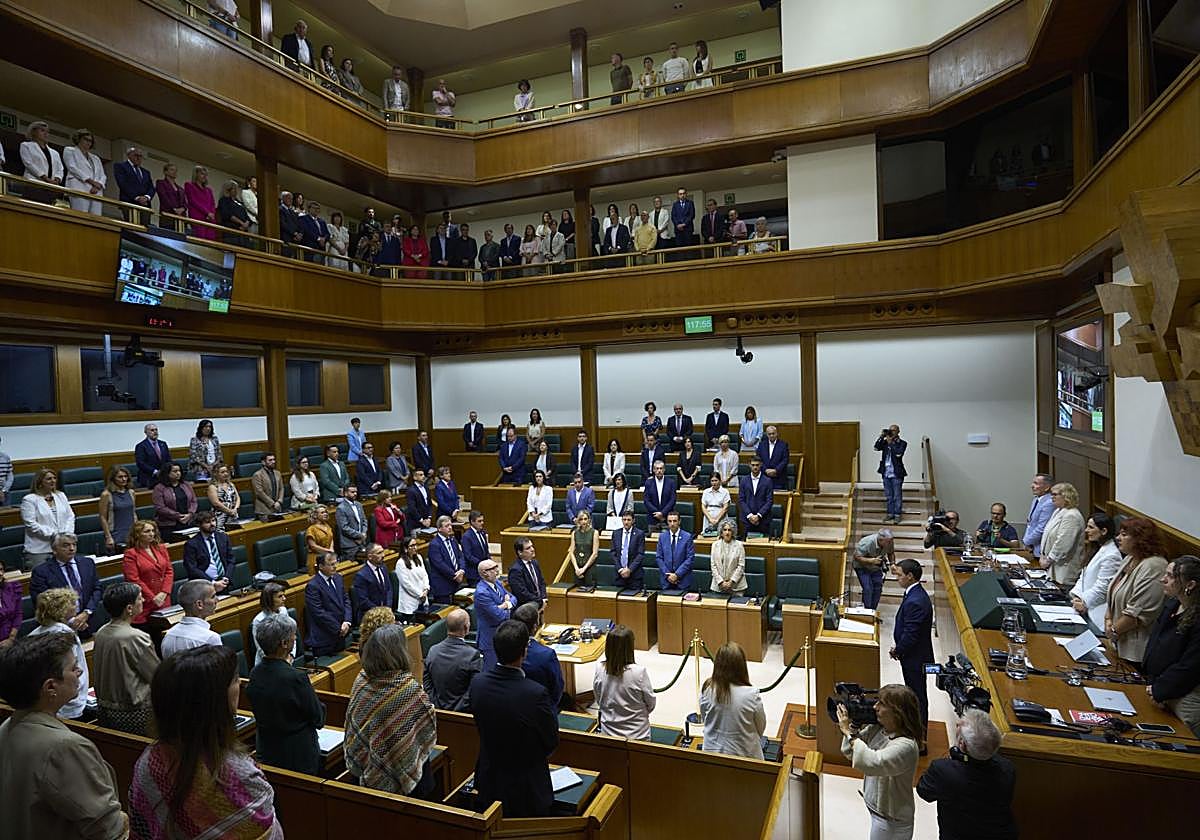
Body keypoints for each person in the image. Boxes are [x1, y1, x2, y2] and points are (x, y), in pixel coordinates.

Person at [130, 645, 283, 838]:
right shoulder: (240, 776)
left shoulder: (147, 763)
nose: (239, 685)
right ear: (215, 701)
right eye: (235, 680)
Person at [0, 633, 127, 839]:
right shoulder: (64, 748)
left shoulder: (7, 726)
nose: (79, 671)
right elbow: (107, 828)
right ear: (51, 687)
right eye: (73, 668)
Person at [470, 619, 558, 817]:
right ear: (524, 651)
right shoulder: (535, 694)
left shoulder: (477, 683)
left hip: (489, 779)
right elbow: (551, 741)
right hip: (526, 788)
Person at [345, 623, 438, 795]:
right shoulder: (408, 689)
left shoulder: (361, 679)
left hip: (365, 777)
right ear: (400, 652)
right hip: (410, 789)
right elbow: (428, 722)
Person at [837, 684, 924, 840]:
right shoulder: (879, 729)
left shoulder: (907, 746)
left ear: (897, 713)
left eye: (882, 704)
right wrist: (854, 726)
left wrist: (849, 733)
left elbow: (873, 763)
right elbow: (850, 752)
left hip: (891, 821)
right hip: (878, 811)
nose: (875, 707)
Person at [917, 709, 1017, 840]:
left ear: (962, 745)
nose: (957, 724)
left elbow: (924, 791)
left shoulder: (943, 770)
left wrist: (953, 757)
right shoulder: (1008, 768)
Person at [247, 612, 325, 774]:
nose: (295, 638)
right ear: (284, 643)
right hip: (298, 756)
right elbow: (318, 718)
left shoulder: (254, 673)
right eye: (293, 636)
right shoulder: (296, 678)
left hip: (267, 751)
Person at [1142, 555, 1200, 737]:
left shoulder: (1198, 618)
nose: (1163, 579)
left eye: (1171, 576)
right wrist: (1152, 681)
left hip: (1186, 697)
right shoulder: (1173, 604)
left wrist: (1160, 689)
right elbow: (1156, 642)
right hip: (1160, 687)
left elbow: (1190, 666)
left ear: (1190, 585)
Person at [92, 582, 159, 735]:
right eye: (140, 598)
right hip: (135, 712)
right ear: (129, 608)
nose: (143, 601)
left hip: (105, 710)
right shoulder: (136, 637)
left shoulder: (101, 632)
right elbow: (156, 676)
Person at [1106, 517, 1168, 665]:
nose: (1118, 538)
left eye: (1124, 535)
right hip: (1117, 641)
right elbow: (1114, 591)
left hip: (1135, 650)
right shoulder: (1130, 558)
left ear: (1141, 539)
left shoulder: (1155, 566)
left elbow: (1138, 612)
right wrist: (1108, 619)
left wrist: (1113, 631)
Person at [28, 587, 91, 720]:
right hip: (70, 698)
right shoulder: (64, 633)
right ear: (61, 609)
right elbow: (74, 665)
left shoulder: (35, 633)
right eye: (72, 604)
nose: (76, 606)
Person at [700, 641, 766, 758]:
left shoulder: (708, 688)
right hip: (746, 758)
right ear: (742, 666)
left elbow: (705, 718)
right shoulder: (751, 695)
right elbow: (760, 728)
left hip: (711, 755)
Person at [30, 533, 102, 636]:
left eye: (74, 544)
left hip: (89, 621)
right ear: (54, 549)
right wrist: (71, 620)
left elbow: (97, 589)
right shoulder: (41, 572)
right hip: (59, 627)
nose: (72, 548)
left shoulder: (87, 563)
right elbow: (43, 602)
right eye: (66, 545)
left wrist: (87, 612)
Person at [891, 558, 934, 732]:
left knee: (917, 697)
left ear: (910, 576)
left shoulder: (915, 600)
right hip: (913, 655)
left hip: (915, 658)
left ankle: (920, 734)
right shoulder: (914, 593)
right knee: (914, 694)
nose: (897, 578)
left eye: (900, 575)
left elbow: (911, 634)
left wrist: (898, 649)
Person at [1070, 511, 1123, 628]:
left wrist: (1083, 602)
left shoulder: (1112, 555)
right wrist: (1077, 597)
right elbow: (1083, 577)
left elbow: (1103, 588)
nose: (1086, 530)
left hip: (1096, 613)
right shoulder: (1096, 548)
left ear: (1103, 531)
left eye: (1091, 527)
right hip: (1083, 607)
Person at [423, 607, 481, 711]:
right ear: (466, 627)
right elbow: (474, 688)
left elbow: (427, 684)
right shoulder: (472, 655)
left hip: (438, 711)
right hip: (462, 714)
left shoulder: (433, 650)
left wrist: (437, 705)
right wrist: (456, 711)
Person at [123, 520, 173, 633]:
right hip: (145, 601)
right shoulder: (131, 554)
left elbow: (169, 571)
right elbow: (133, 579)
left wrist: (164, 592)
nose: (151, 534)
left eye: (153, 531)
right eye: (147, 531)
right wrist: (153, 597)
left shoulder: (161, 548)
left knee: (165, 633)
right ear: (138, 534)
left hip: (163, 598)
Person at [20, 467, 74, 570]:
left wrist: (66, 533)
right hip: (40, 549)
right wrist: (55, 534)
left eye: (54, 478)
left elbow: (70, 516)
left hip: (62, 546)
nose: (53, 481)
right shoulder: (29, 500)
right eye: (49, 479)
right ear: (40, 482)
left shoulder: (60, 495)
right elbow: (31, 524)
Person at [305, 553, 351, 656]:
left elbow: (346, 600)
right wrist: (338, 628)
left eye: (335, 563)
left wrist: (347, 621)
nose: (335, 567)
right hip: (324, 638)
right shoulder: (313, 586)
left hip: (342, 633)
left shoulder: (338, 578)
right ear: (321, 566)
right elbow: (318, 612)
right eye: (331, 564)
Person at [160, 579, 220, 658]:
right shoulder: (210, 638)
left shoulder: (168, 636)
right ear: (199, 604)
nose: (217, 599)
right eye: (213, 596)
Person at [1040, 482, 1085, 584]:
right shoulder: (1058, 511)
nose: (1052, 497)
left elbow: (1063, 544)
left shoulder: (1072, 516)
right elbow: (1047, 534)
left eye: (1055, 494)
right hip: (1052, 565)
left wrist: (1048, 560)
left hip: (1064, 569)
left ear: (1066, 496)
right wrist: (1043, 555)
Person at [475, 557, 514, 670]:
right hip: (490, 639)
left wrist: (505, 605)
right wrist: (507, 606)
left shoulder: (497, 583)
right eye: (493, 568)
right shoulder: (482, 592)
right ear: (484, 573)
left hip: (502, 634)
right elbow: (499, 616)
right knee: (492, 671)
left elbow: (514, 598)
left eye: (496, 566)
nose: (497, 570)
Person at [181, 511, 232, 592]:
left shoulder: (223, 537)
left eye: (213, 520)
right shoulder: (192, 544)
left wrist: (226, 577)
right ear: (199, 525)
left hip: (224, 582)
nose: (212, 524)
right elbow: (191, 568)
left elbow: (231, 560)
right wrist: (213, 582)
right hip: (204, 586)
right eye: (207, 522)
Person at [19, 121, 64, 204]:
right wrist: (45, 178)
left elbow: (60, 168)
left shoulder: (55, 152)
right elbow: (29, 164)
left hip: (51, 187)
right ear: (34, 132)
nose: (46, 134)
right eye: (42, 130)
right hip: (34, 184)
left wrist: (57, 180)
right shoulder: (26, 145)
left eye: (47, 132)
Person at [63, 128, 106, 215]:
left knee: (96, 217)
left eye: (90, 141)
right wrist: (92, 182)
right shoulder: (69, 150)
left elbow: (103, 175)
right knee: (80, 214)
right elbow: (72, 168)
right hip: (79, 186)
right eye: (86, 139)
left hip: (96, 191)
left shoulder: (95, 158)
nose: (88, 142)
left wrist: (98, 185)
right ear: (78, 139)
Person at [250, 581, 292, 667]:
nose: (284, 598)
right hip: (267, 664)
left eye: (283, 595)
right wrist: (281, 662)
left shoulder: (283, 611)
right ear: (269, 599)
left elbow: (291, 635)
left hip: (287, 659)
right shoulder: (259, 620)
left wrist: (291, 655)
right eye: (280, 596)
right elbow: (261, 648)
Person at [428, 515, 468, 603]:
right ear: (439, 528)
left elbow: (460, 556)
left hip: (456, 583)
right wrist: (455, 575)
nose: (450, 528)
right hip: (443, 586)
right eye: (446, 526)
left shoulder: (453, 540)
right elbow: (440, 565)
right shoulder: (434, 544)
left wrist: (462, 570)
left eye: (450, 525)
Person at [152, 462, 197, 541]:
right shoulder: (159, 488)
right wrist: (178, 516)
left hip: (188, 521)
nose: (178, 473)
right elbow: (160, 507)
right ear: (167, 473)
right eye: (175, 471)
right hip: (169, 525)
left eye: (179, 471)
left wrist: (190, 514)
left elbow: (194, 501)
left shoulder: (186, 485)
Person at [349, 542, 391, 624]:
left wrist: (388, 607)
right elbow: (363, 600)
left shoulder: (383, 567)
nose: (383, 555)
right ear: (370, 557)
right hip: (369, 616)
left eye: (382, 552)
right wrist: (381, 612)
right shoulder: (361, 575)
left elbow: (389, 589)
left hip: (385, 613)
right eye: (379, 553)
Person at [854, 528, 896, 611]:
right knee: (868, 588)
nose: (890, 543)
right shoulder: (867, 542)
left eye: (891, 541)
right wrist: (871, 561)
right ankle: (867, 611)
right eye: (888, 542)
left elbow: (891, 553)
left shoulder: (889, 542)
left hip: (875, 567)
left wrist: (892, 564)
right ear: (881, 540)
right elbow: (857, 557)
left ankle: (873, 610)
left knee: (878, 588)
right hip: (862, 567)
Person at [874, 424, 907, 524]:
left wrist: (891, 443)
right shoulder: (885, 442)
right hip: (886, 473)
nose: (891, 432)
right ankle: (890, 514)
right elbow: (876, 448)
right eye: (890, 430)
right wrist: (881, 436)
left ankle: (897, 515)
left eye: (893, 430)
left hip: (896, 474)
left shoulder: (902, 443)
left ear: (898, 432)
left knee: (897, 496)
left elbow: (898, 454)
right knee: (889, 496)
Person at [393, 537, 430, 621]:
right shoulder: (400, 563)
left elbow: (425, 575)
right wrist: (420, 594)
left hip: (423, 598)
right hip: (409, 602)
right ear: (405, 548)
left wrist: (426, 589)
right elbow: (406, 584)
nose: (415, 547)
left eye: (416, 545)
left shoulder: (419, 557)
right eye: (412, 546)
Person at [656, 511, 695, 592]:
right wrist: (668, 575)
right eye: (670, 521)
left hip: (682, 580)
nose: (672, 524)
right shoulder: (662, 537)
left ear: (679, 521)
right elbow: (659, 558)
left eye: (674, 521)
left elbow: (690, 558)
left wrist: (677, 574)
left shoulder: (687, 537)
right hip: (666, 580)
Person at [738, 457, 774, 538]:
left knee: (763, 544)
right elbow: (741, 499)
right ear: (749, 465)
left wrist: (759, 515)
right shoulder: (744, 480)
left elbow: (769, 501)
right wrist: (750, 515)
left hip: (763, 519)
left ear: (761, 465)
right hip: (747, 519)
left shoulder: (768, 481)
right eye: (753, 465)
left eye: (757, 465)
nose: (755, 467)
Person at [1022, 473, 1056, 558]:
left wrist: (1026, 542)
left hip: (1041, 550)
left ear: (1047, 488)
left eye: (1036, 483)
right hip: (1031, 548)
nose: (1032, 486)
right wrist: (1026, 542)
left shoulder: (1049, 503)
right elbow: (1030, 524)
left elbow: (1041, 528)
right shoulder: (1036, 499)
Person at [509, 536, 548, 609]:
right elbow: (522, 593)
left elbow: (541, 582)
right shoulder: (515, 570)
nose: (532, 549)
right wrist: (540, 601)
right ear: (520, 552)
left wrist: (544, 598)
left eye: (532, 546)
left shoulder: (535, 563)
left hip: (539, 604)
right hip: (526, 609)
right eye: (528, 548)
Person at [711, 521, 747, 594]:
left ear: (733, 532)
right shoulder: (715, 545)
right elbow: (713, 565)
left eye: (729, 530)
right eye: (725, 530)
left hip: (736, 586)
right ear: (721, 532)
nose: (727, 533)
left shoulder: (739, 545)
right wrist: (721, 582)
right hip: (719, 586)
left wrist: (731, 581)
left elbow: (741, 566)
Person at [334, 484, 368, 561]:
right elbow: (344, 527)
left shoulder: (359, 505)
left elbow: (364, 521)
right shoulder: (341, 508)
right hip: (349, 545)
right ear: (345, 493)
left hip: (361, 542)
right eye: (352, 492)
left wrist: (364, 533)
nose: (355, 494)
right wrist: (360, 535)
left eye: (356, 492)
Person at [184, 165, 218, 240]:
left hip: (210, 218)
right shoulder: (189, 185)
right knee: (200, 238)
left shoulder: (209, 190)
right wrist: (207, 213)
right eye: (202, 174)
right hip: (198, 216)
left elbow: (212, 204)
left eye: (206, 175)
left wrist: (212, 214)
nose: (204, 176)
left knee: (211, 239)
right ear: (196, 174)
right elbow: (193, 201)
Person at [217, 179, 252, 247]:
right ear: (228, 190)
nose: (236, 191)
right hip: (231, 232)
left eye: (236, 189)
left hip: (243, 232)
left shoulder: (240, 202)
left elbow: (247, 217)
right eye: (234, 189)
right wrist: (241, 223)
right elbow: (226, 214)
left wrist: (246, 224)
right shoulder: (223, 200)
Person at [136, 422, 172, 488]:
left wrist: (166, 471)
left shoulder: (163, 444)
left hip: (163, 477)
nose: (155, 432)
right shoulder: (141, 446)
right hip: (148, 478)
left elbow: (168, 459)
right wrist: (155, 471)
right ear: (146, 432)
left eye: (156, 430)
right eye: (152, 430)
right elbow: (141, 463)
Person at [644, 459, 676, 532]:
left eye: (661, 468)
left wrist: (662, 513)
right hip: (653, 518)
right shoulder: (648, 483)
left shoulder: (671, 482)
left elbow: (672, 500)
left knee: (667, 538)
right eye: (657, 468)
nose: (659, 471)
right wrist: (657, 512)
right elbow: (646, 500)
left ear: (664, 470)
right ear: (653, 470)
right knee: (653, 539)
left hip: (667, 518)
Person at [568, 511, 599, 586]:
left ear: (589, 520)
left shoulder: (594, 533)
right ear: (578, 521)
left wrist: (584, 569)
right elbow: (571, 552)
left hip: (589, 567)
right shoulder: (574, 533)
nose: (583, 521)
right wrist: (576, 568)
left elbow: (595, 554)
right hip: (577, 567)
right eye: (581, 519)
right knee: (576, 589)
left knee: (589, 589)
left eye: (585, 519)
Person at [206, 462, 239, 531]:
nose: (225, 474)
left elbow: (238, 498)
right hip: (219, 516)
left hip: (233, 514)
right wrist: (229, 511)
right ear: (216, 474)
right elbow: (216, 503)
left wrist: (235, 509)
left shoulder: (231, 484)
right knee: (221, 534)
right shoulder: (212, 487)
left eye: (226, 471)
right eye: (222, 472)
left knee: (234, 533)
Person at [251, 452, 285, 521]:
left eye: (274, 459)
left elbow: (281, 488)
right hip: (264, 510)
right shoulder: (257, 475)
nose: (273, 462)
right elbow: (259, 492)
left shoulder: (278, 473)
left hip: (277, 507)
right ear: (263, 462)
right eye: (270, 460)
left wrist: (279, 501)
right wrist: (273, 503)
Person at [155, 162, 189, 230]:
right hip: (168, 216)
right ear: (165, 172)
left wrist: (182, 209)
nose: (174, 172)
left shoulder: (180, 189)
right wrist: (174, 209)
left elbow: (185, 202)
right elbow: (164, 197)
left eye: (175, 170)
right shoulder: (161, 183)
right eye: (172, 170)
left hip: (181, 218)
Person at [699, 471, 732, 537]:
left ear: (720, 481)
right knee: (707, 536)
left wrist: (717, 519)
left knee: (722, 536)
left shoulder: (725, 492)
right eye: (712, 481)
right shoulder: (706, 491)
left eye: (716, 480)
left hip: (721, 517)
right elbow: (703, 506)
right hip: (708, 517)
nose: (714, 483)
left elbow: (725, 507)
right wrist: (710, 519)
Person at [0, 554, 21, 647]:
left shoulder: (12, 587)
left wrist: (11, 639)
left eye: (1, 569)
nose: (0, 574)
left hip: (12, 640)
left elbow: (18, 614)